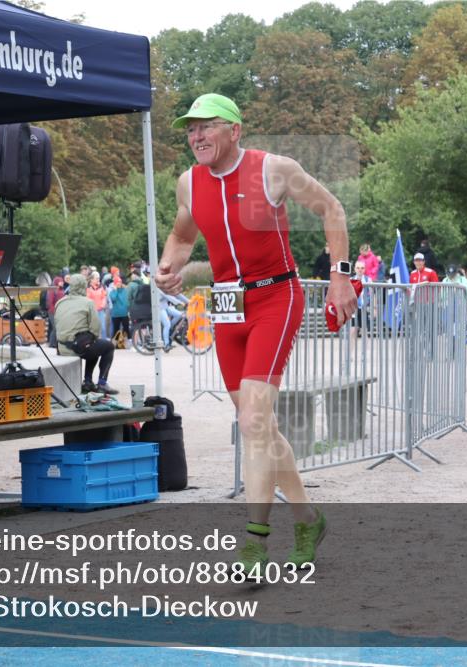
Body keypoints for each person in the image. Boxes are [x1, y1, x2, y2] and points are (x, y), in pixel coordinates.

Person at [156, 93, 357, 574]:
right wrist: (169, 266)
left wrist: (341, 276)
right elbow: (183, 235)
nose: (196, 136)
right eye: (190, 129)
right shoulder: (188, 182)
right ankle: (307, 518)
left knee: (252, 423)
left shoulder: (274, 169)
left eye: (206, 127)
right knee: (258, 424)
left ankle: (254, 541)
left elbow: (332, 210)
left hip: (275, 297)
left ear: (234, 131)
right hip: (228, 304)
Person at [54, 274, 119, 394]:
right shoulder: (87, 303)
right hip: (78, 347)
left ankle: (88, 382)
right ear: (84, 286)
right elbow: (95, 328)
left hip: (62, 347)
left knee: (91, 343)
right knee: (108, 346)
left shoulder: (60, 302)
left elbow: (56, 324)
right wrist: (91, 336)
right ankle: (102, 383)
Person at [108, 274, 130, 347]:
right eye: (117, 282)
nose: (119, 284)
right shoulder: (112, 292)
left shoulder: (125, 290)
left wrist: (128, 310)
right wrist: (116, 290)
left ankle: (125, 343)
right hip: (116, 314)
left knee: (126, 329)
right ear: (115, 283)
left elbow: (127, 300)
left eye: (120, 282)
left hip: (124, 313)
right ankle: (116, 344)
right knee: (116, 330)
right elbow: (113, 299)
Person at [86, 272, 109, 339]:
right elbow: (88, 299)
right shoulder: (88, 288)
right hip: (92, 311)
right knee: (92, 328)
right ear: (92, 279)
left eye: (98, 278)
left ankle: (104, 342)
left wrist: (102, 305)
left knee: (103, 327)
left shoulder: (102, 287)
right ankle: (92, 342)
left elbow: (104, 297)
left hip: (101, 310)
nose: (98, 279)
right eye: (96, 278)